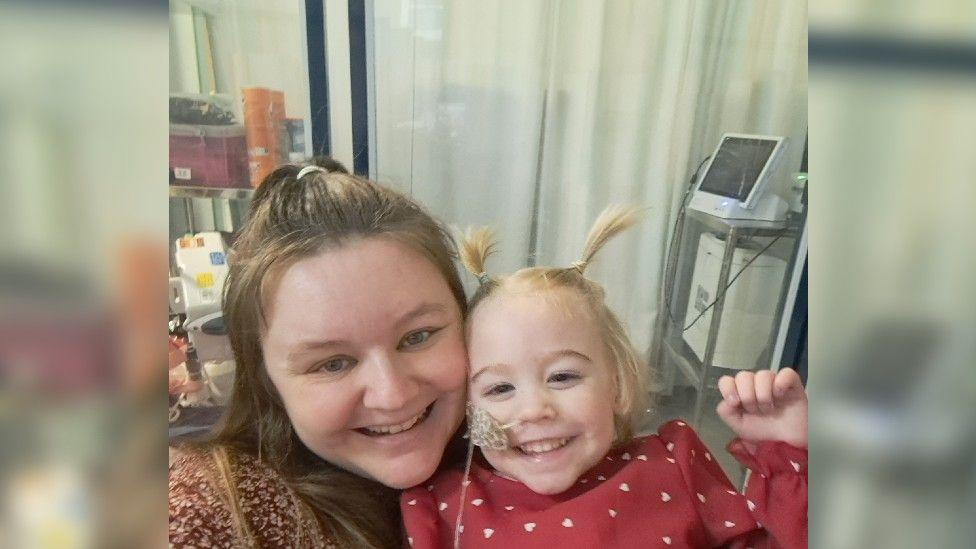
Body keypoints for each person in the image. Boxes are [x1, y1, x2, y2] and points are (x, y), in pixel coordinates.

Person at [400, 207, 808, 548]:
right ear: (469, 410)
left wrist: (790, 455)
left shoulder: (672, 462)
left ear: (616, 385)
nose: (534, 409)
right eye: (500, 388)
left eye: (562, 377)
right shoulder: (444, 507)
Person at [169, 158, 471, 548]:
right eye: (333, 363)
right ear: (266, 379)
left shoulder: (534, 443)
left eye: (418, 337)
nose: (392, 394)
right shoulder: (215, 507)